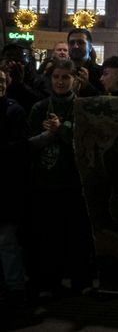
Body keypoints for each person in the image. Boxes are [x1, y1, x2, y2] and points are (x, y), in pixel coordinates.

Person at [25, 58, 93, 297]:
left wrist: (61, 130)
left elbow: (86, 143)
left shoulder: (83, 108)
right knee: (48, 234)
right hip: (46, 180)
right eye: (56, 77)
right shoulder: (39, 108)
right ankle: (49, 282)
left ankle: (81, 280)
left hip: (75, 181)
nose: (60, 81)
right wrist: (46, 135)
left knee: (77, 234)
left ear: (75, 80)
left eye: (65, 77)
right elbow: (29, 145)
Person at [0, 67, 29, 304]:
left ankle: (14, 285)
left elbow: (18, 147)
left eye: (2, 81)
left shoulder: (14, 110)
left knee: (6, 239)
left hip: (5, 185)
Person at [65, 27, 102, 93]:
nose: (75, 46)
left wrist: (87, 87)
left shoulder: (101, 73)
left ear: (90, 47)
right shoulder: (60, 71)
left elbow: (105, 99)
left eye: (81, 42)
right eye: (72, 43)